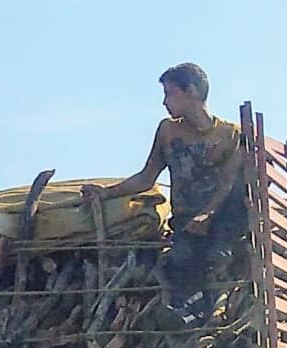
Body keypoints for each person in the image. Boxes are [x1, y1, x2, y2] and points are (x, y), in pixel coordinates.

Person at [82, 63, 248, 326]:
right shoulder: (168, 131)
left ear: (191, 91)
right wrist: (105, 194)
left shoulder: (229, 135)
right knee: (180, 261)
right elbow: (147, 177)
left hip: (221, 217)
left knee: (218, 256)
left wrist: (207, 214)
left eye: (170, 94)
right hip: (185, 220)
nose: (164, 102)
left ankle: (216, 313)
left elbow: (229, 183)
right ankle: (187, 319)